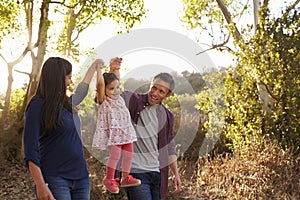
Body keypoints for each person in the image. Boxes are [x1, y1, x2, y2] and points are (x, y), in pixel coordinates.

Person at [23, 57, 104, 200]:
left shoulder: (67, 103)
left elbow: (81, 91)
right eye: (68, 77)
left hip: (81, 178)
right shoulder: (37, 106)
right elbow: (30, 149)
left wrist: (93, 68)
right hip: (55, 178)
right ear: (57, 79)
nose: (70, 82)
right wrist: (40, 185)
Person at [109, 58, 182, 200]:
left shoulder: (167, 116)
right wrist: (114, 71)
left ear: (167, 94)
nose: (155, 93)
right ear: (150, 85)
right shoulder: (134, 101)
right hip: (135, 172)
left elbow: (169, 147)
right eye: (154, 87)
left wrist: (176, 174)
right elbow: (116, 94)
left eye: (161, 91)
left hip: (157, 174)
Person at [92, 59, 141, 194]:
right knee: (115, 155)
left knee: (129, 154)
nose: (115, 91)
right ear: (104, 90)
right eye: (111, 88)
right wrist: (98, 70)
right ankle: (109, 179)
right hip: (114, 134)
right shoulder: (104, 101)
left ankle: (125, 177)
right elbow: (100, 84)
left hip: (125, 132)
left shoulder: (119, 98)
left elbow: (116, 78)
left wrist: (115, 68)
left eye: (117, 87)